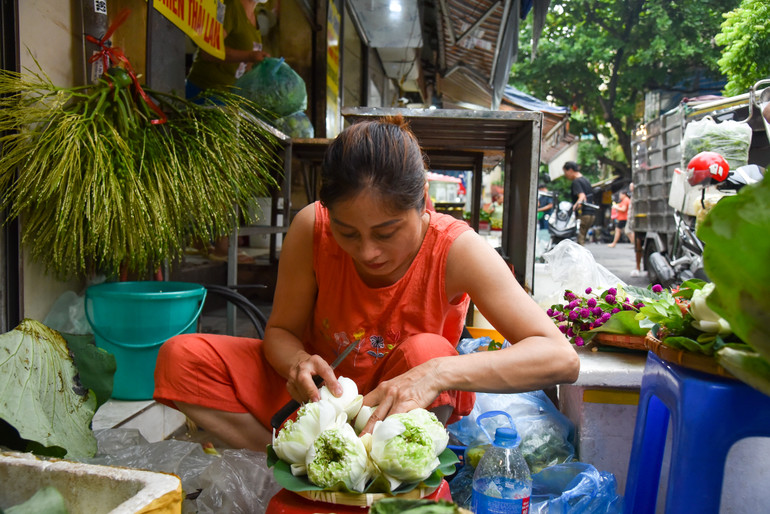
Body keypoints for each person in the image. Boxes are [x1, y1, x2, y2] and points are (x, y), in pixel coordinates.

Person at [153, 116, 580, 451]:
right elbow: (280, 331)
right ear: (328, 214)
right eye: (348, 233)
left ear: (421, 205)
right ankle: (289, 461)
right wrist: (297, 363)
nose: (367, 252)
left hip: (396, 413)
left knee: (428, 351)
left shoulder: (457, 249)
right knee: (181, 356)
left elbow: (560, 358)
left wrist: (435, 373)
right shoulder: (311, 228)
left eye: (387, 232)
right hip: (316, 403)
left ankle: (379, 466)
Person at [186, 0, 271, 262]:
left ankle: (204, 241)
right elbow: (208, 51)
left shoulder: (255, 17)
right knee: (219, 170)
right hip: (207, 92)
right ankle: (218, 246)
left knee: (221, 171)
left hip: (228, 98)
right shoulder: (232, 7)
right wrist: (249, 56)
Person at [563, 161, 597, 245]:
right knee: (583, 237)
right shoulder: (586, 180)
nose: (565, 175)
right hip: (591, 214)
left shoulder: (576, 181)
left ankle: (580, 257)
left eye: (565, 172)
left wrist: (574, 207)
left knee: (580, 240)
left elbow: (582, 196)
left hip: (583, 214)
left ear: (570, 170)